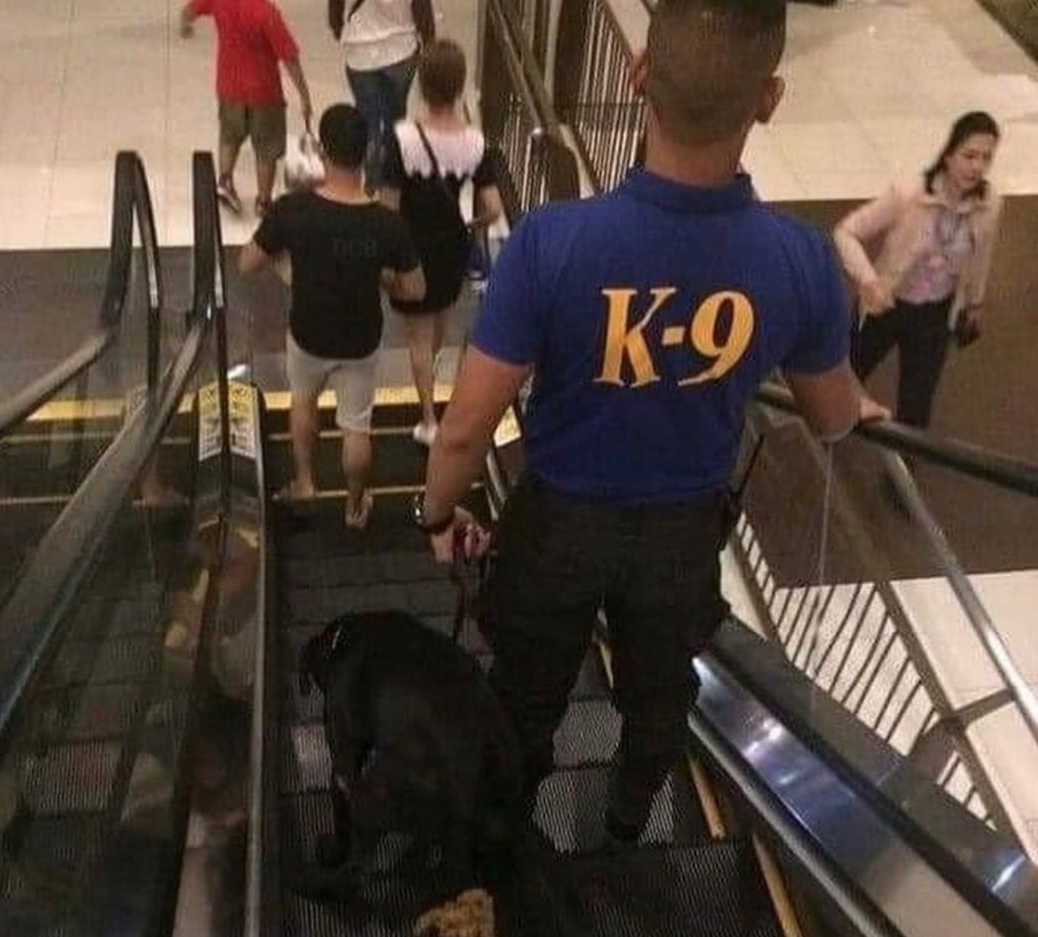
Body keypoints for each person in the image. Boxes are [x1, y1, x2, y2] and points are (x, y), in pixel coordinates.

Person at [413, 0, 880, 843]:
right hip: (682, 532)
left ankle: (508, 837)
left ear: (637, 77)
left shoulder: (553, 243)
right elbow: (833, 415)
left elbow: (463, 431)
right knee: (659, 691)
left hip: (556, 524)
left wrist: (439, 514)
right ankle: (628, 820)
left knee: (524, 690)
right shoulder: (802, 261)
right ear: (768, 98)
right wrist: (856, 399)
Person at [240, 104, 425, 528]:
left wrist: (287, 265)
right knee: (356, 427)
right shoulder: (386, 223)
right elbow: (416, 288)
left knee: (303, 403)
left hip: (307, 333)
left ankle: (306, 482)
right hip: (360, 340)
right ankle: (356, 504)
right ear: (369, 154)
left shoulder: (293, 210)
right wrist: (384, 279)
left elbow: (247, 262)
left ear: (322, 150)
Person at [834, 111, 1002, 430]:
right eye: (969, 155)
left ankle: (903, 472)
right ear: (949, 154)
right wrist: (868, 280)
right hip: (886, 304)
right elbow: (845, 232)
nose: (977, 166)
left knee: (917, 403)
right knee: (844, 376)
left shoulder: (989, 203)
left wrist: (975, 302)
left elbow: (982, 254)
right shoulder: (908, 194)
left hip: (935, 315)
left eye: (986, 158)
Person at [379, 39, 502, 447]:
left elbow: (388, 208)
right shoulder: (476, 143)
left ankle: (429, 420)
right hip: (452, 247)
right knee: (439, 331)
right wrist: (471, 226)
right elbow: (493, 208)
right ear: (459, 84)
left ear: (422, 84)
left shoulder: (403, 138)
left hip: (411, 249)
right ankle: (444, 404)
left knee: (416, 336)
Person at [181, 0, 314, 218]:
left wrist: (185, 26)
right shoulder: (266, 13)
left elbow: (189, 10)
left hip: (228, 86)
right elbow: (289, 57)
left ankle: (225, 182)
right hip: (264, 93)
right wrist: (304, 95)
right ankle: (263, 201)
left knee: (229, 136)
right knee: (266, 149)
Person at [329, 0, 436, 192]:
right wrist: (428, 39)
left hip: (360, 49)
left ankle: (371, 181)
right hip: (401, 48)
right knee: (395, 117)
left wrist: (337, 25)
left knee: (368, 122)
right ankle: (392, 179)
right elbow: (421, 6)